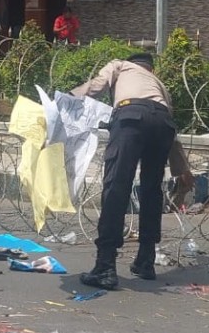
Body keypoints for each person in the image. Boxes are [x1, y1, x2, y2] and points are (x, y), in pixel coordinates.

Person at [70, 52, 195, 289]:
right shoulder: (159, 86)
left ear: (131, 63)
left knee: (117, 187)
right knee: (151, 191)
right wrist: (183, 170)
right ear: (151, 69)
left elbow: (97, 85)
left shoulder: (119, 64)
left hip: (131, 118)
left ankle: (105, 266)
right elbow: (171, 131)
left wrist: (67, 98)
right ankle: (145, 261)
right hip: (162, 126)